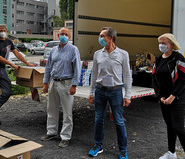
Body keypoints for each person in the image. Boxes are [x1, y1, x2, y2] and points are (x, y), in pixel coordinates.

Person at [88, 27, 131, 159]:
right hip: (100, 90)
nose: (100, 38)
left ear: (110, 37)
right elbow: (94, 74)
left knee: (119, 121)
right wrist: (91, 92)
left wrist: (127, 95)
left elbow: (127, 75)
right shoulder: (97, 54)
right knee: (98, 119)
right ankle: (98, 145)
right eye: (100, 36)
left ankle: (123, 150)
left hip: (115, 91)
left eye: (102, 36)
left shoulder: (123, 54)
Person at [0, 24, 35, 126]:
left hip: (2, 69)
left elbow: (17, 54)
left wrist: (27, 63)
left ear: (7, 31)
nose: (3, 32)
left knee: (7, 91)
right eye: (1, 30)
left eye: (4, 30)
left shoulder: (9, 42)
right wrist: (11, 64)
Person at [152, 33, 185, 159]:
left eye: (164, 43)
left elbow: (183, 79)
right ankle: (171, 153)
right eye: (160, 42)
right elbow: (154, 79)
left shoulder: (178, 58)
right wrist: (159, 96)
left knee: (178, 127)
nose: (161, 45)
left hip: (178, 97)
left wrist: (173, 96)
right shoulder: (158, 60)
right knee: (170, 126)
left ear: (171, 44)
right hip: (164, 99)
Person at [41, 27, 81, 148]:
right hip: (54, 82)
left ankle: (65, 136)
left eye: (66, 34)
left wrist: (74, 85)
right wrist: (45, 83)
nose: (63, 36)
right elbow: (48, 67)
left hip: (66, 83)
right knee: (51, 108)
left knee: (67, 112)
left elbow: (77, 69)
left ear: (69, 37)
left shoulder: (74, 49)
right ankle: (51, 132)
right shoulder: (53, 50)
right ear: (58, 36)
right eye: (61, 34)